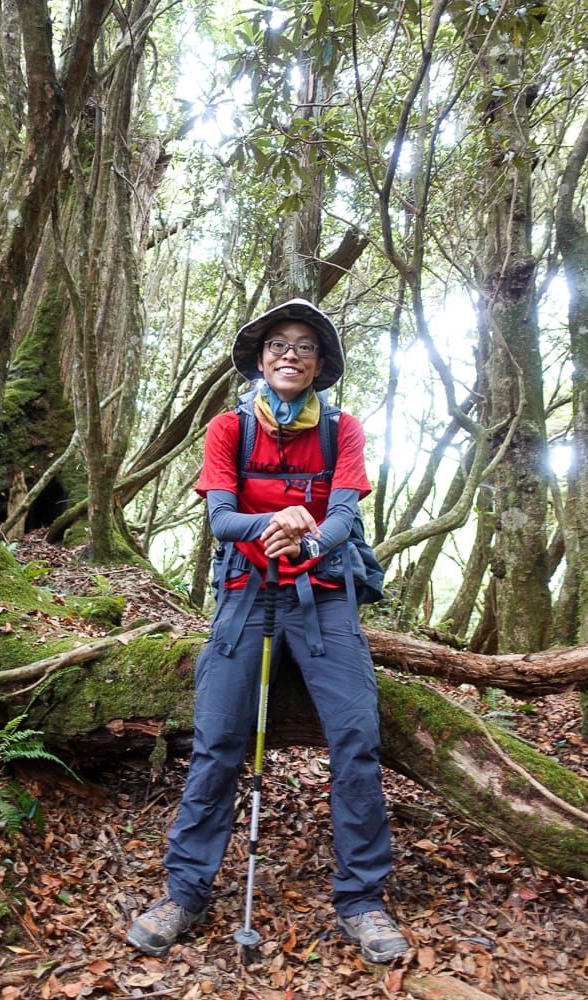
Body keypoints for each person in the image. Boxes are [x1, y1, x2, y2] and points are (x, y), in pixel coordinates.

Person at [127, 299, 408, 964]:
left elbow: (341, 516)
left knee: (356, 736)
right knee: (217, 739)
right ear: (259, 358)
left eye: (304, 346)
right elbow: (221, 518)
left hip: (324, 594)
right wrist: (275, 521)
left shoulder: (343, 431)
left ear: (321, 365)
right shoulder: (229, 428)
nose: (290, 354)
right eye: (278, 344)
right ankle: (184, 892)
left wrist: (304, 531)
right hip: (245, 594)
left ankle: (363, 901)